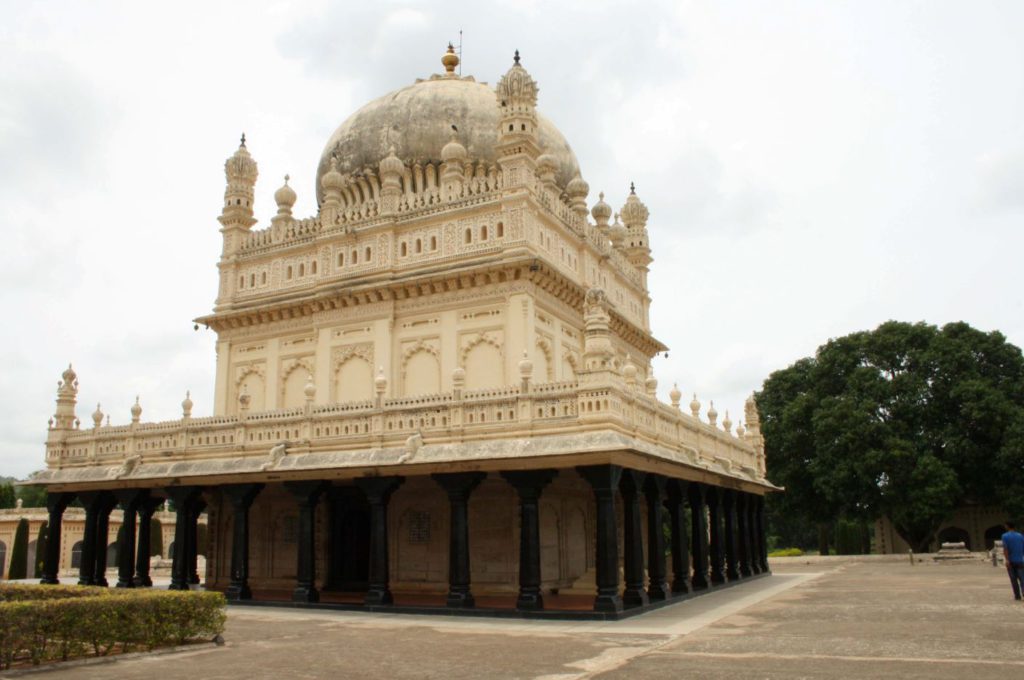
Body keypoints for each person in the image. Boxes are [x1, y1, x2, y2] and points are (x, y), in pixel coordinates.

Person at [1001, 521, 1024, 601]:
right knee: (1022, 578)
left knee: (1013, 579)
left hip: (1011, 560)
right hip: (1020, 560)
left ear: (1007, 526)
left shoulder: (1005, 536)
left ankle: (1017, 595)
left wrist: (1007, 560)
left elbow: (1005, 549)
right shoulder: (1020, 536)